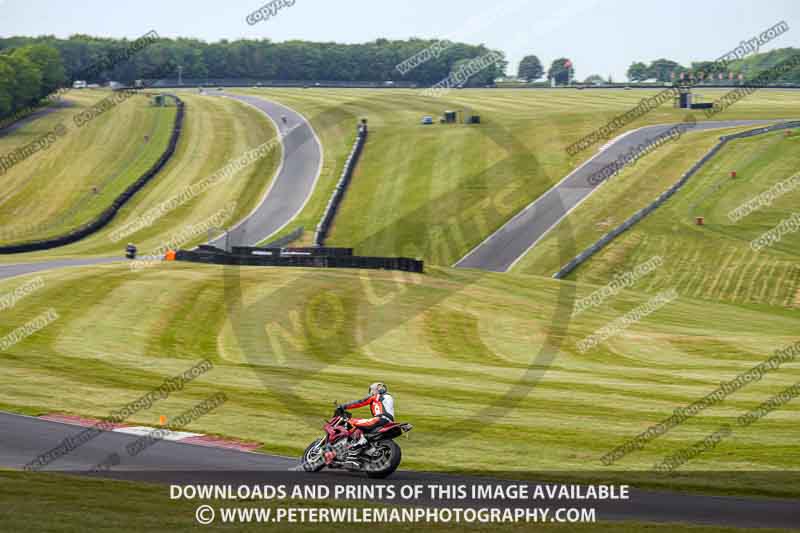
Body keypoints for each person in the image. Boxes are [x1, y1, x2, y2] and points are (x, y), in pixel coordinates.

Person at [339, 382, 394, 449]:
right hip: (389, 421)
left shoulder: (376, 396)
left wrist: (343, 406)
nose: (371, 392)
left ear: (376, 390)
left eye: (372, 390)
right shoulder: (389, 397)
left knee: (351, 421)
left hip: (380, 419)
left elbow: (360, 402)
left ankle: (360, 440)